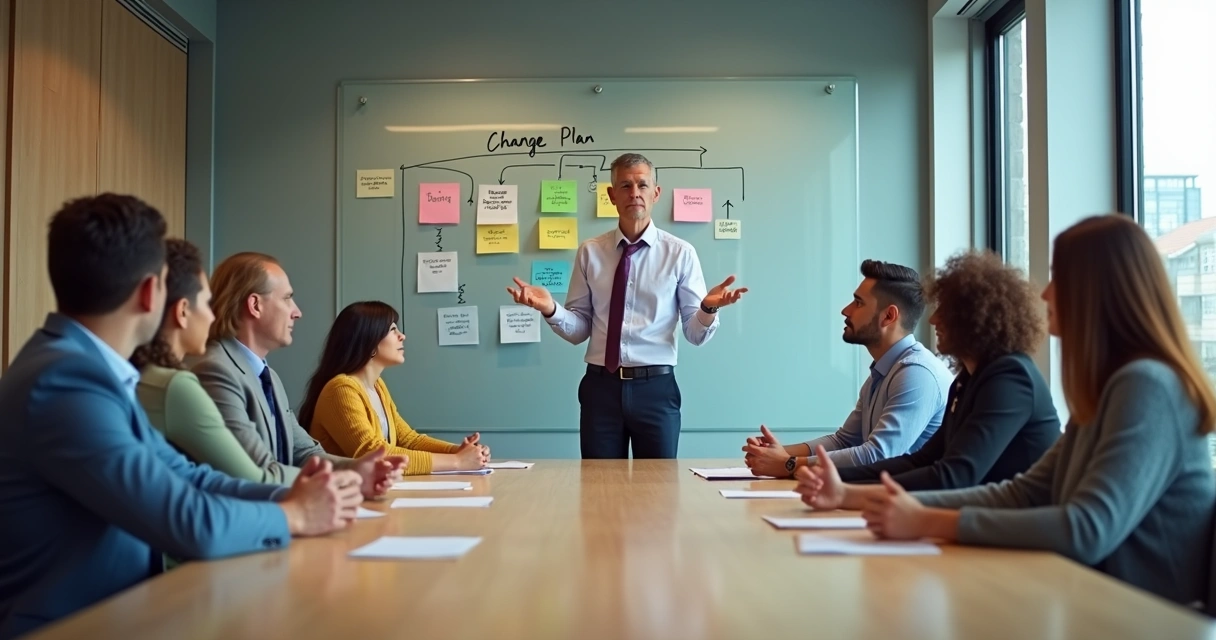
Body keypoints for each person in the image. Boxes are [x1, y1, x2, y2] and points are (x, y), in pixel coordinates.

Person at [0, 195, 367, 638]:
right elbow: (187, 521)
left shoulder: (81, 368)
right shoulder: (65, 382)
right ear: (152, 291)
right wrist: (296, 516)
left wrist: (293, 500)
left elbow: (189, 477)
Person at [839, 215, 1216, 607]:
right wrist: (899, 508)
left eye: (1060, 278)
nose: (1047, 294)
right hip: (1097, 604)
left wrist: (926, 519)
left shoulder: (1147, 386)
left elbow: (1085, 529)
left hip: (1143, 617)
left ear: (1098, 291)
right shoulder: (1109, 388)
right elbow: (1027, 492)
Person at [507, 152, 747, 459]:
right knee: (600, 491)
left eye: (642, 185)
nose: (634, 193)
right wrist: (551, 309)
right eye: (625, 185)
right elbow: (579, 329)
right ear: (611, 195)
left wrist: (707, 309)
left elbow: (695, 334)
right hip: (600, 389)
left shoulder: (680, 254)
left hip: (656, 389)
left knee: (658, 493)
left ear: (655, 193)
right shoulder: (590, 252)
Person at [793, 250, 1060, 508]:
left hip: (1026, 540)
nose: (933, 319)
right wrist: (833, 478)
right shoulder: (967, 380)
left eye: (947, 310)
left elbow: (953, 477)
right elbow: (920, 461)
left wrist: (846, 493)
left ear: (979, 317)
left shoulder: (1010, 379)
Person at [191, 252, 406, 490]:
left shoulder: (269, 376)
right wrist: (348, 478)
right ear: (255, 305)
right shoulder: (215, 370)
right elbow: (258, 471)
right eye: (287, 299)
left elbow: (305, 453)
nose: (297, 312)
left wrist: (362, 470)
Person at [742, 260, 953, 477]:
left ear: (889, 316)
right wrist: (775, 454)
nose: (846, 310)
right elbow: (844, 440)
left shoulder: (916, 373)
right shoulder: (885, 370)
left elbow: (878, 455)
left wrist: (789, 464)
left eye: (858, 303)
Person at [132, 239, 276, 482]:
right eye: (208, 304)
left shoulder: (143, 373)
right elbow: (255, 479)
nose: (213, 316)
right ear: (183, 311)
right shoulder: (175, 385)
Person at [300, 301, 490, 474]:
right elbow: (372, 455)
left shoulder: (377, 386)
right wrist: (457, 461)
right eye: (393, 330)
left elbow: (408, 439)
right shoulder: (341, 390)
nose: (402, 336)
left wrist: (460, 451)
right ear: (370, 341)